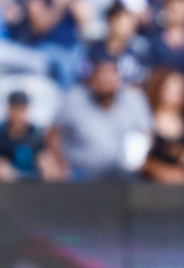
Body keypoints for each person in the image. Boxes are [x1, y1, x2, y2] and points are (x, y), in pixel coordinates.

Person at [53, 53, 153, 181]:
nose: (105, 79)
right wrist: (58, 160)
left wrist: (137, 158)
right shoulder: (75, 98)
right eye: (100, 73)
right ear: (91, 77)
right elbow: (53, 133)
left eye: (111, 73)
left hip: (124, 176)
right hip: (81, 175)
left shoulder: (133, 98)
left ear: (119, 77)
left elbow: (147, 133)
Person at [24, 0, 91, 88]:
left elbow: (84, 20)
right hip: (45, 45)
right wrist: (58, 5)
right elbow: (39, 25)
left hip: (72, 45)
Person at [141, 67, 184, 184]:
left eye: (181, 87)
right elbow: (137, 162)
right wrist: (162, 172)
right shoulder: (146, 120)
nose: (179, 91)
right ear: (159, 88)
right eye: (173, 86)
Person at [0, 90, 62, 182]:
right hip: (8, 184)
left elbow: (46, 158)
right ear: (8, 109)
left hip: (35, 182)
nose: (18, 115)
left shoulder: (36, 134)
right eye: (15, 109)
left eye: (22, 110)